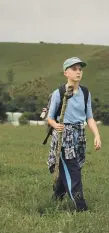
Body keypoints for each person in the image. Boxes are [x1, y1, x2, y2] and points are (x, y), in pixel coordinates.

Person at [47, 57, 102, 212]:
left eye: (80, 69)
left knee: (72, 168)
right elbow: (49, 117)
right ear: (66, 73)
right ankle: (81, 208)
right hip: (64, 137)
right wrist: (55, 124)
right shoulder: (59, 93)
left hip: (80, 136)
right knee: (73, 171)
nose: (78, 72)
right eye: (74, 69)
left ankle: (57, 197)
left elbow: (89, 117)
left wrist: (97, 135)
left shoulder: (85, 92)